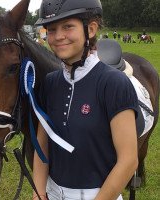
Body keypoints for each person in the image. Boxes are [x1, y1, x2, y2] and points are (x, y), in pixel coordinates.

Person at [33, 0, 139, 199]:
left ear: (90, 29)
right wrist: (38, 192)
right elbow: (43, 143)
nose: (58, 37)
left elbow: (129, 160)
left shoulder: (114, 83)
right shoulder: (49, 82)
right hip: (52, 192)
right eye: (52, 29)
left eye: (68, 27)